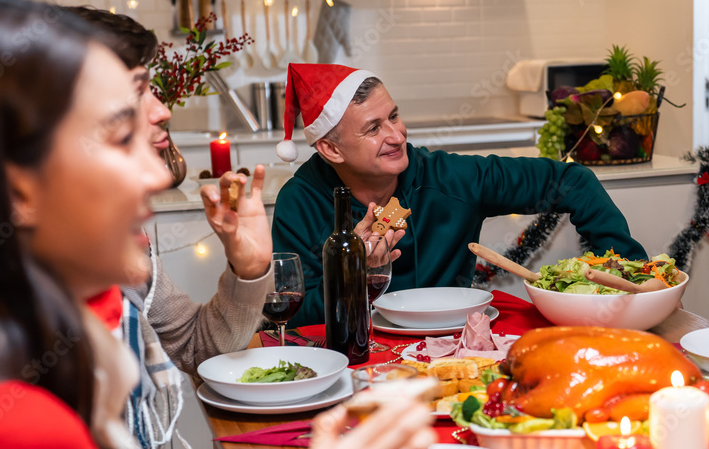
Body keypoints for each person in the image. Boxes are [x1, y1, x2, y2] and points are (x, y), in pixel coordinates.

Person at [0, 0, 441, 449]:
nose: (158, 172)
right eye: (118, 131)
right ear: (15, 190)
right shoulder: (11, 438)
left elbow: (201, 345)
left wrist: (250, 268)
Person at [64, 6, 273, 449]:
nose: (162, 110)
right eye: (141, 89)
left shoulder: (117, 243)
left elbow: (203, 345)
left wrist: (248, 267)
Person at [270, 63, 647, 326]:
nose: (397, 136)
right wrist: (356, 276)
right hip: (357, 365)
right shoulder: (299, 202)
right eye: (373, 129)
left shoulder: (452, 179)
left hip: (457, 351)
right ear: (331, 150)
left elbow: (574, 182)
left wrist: (629, 281)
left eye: (395, 116)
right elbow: (296, 317)